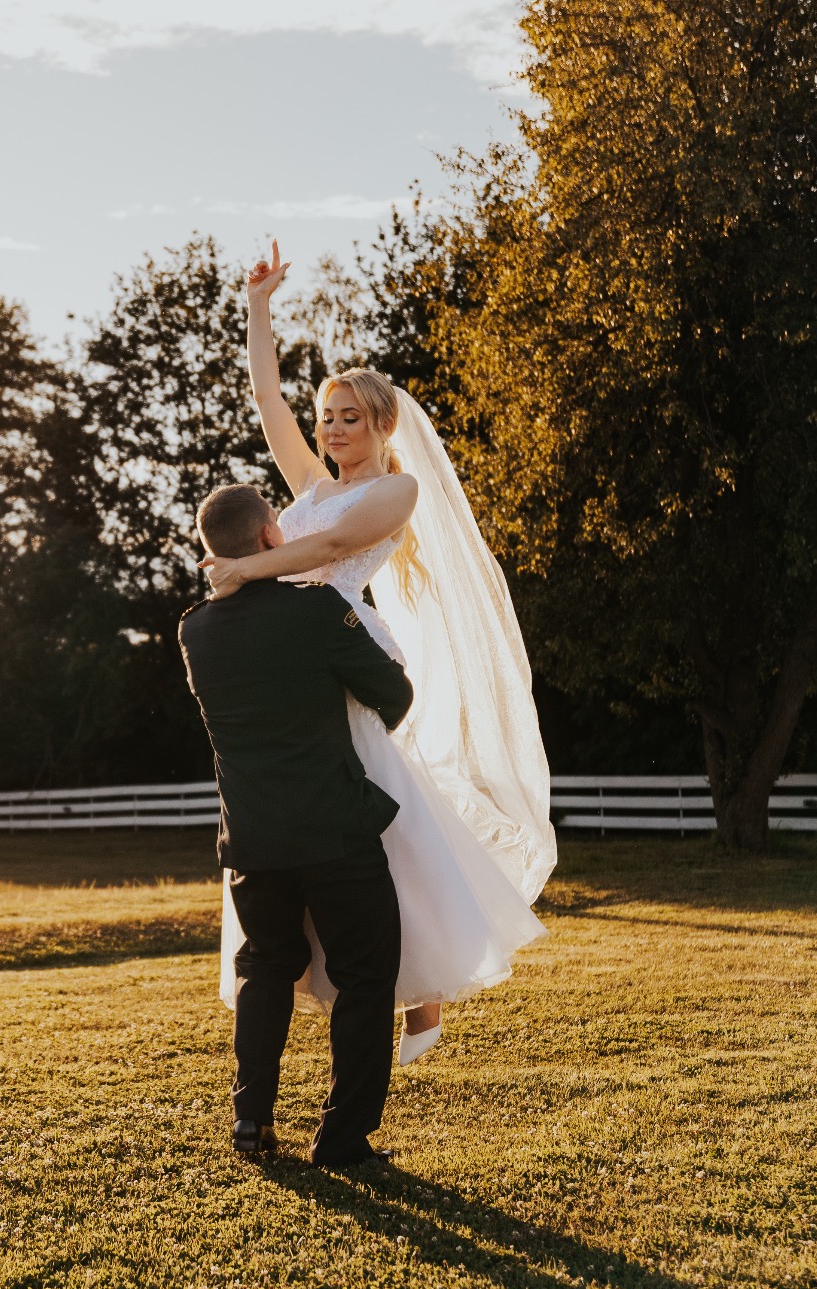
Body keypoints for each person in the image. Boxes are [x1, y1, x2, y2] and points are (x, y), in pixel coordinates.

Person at [201, 240, 555, 1066]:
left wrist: (244, 567)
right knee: (324, 820)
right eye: (326, 417)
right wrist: (258, 304)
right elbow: (265, 399)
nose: (329, 429)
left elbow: (336, 545)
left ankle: (423, 988)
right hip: (300, 659)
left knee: (378, 825)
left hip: (348, 653)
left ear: (383, 425)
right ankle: (341, 973)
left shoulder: (395, 491)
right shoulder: (313, 484)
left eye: (348, 417)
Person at [179, 483, 414, 1167]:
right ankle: (342, 1140)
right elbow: (393, 695)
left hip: (251, 836)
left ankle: (251, 1122)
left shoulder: (193, 629)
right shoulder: (316, 611)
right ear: (270, 537)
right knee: (366, 974)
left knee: (264, 966)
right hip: (334, 826)